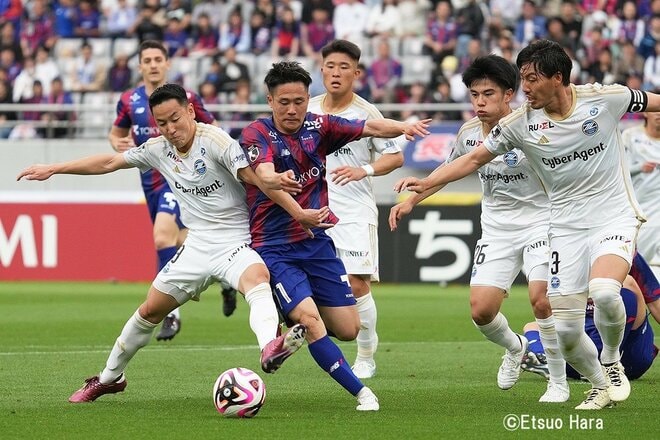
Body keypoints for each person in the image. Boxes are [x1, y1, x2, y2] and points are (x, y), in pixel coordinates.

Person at [392, 39, 658, 410]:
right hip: (556, 227)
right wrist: (420, 188)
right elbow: (470, 161)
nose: (526, 89)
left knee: (601, 291)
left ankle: (610, 362)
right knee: (558, 329)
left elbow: (654, 102)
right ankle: (597, 385)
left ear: (558, 77)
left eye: (531, 80)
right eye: (523, 79)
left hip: (597, 218)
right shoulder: (518, 125)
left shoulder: (605, 99)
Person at [17, 83, 307, 403]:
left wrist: (292, 205)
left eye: (175, 119)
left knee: (257, 279)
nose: (170, 129)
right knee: (148, 312)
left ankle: (270, 345)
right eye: (162, 123)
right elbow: (109, 163)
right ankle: (109, 378)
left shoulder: (216, 141)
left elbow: (256, 178)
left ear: (190, 112)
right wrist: (54, 168)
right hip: (196, 246)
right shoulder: (158, 148)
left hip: (235, 241)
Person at [239, 60, 430, 411]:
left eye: (299, 100)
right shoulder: (257, 133)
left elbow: (370, 126)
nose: (293, 109)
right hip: (275, 247)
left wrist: (404, 126)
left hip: (317, 244)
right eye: (284, 102)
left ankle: (293, 316)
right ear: (269, 100)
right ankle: (362, 393)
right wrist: (291, 203)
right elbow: (264, 174)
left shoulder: (318, 125)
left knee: (347, 329)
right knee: (312, 321)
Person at [390, 55, 568, 403]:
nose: (481, 102)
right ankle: (516, 347)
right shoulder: (468, 133)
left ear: (509, 94)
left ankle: (557, 381)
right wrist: (412, 200)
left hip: (541, 223)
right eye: (474, 95)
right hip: (497, 229)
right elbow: (450, 169)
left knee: (541, 299)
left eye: (488, 94)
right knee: (481, 311)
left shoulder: (534, 126)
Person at [109, 40, 238, 340]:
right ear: (140, 66)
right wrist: (118, 144)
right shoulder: (129, 100)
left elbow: (214, 130)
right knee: (182, 241)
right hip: (150, 182)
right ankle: (226, 280)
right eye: (147, 60)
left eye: (158, 59)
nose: (153, 65)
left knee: (162, 236)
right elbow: (115, 135)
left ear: (167, 64)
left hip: (182, 178)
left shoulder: (186, 98)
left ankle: (171, 314)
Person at [307, 39, 404, 379]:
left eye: (344, 67)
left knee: (357, 284)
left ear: (356, 73)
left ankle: (366, 352)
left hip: (354, 210)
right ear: (321, 70)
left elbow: (396, 156)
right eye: (330, 66)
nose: (336, 73)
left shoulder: (366, 113)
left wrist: (365, 170)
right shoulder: (307, 109)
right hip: (312, 210)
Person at [522, 253, 659, 381]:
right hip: (586, 327)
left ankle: (605, 361)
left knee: (626, 284)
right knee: (533, 326)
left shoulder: (624, 247)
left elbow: (654, 300)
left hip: (631, 354)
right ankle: (546, 359)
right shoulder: (561, 250)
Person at [622, 111, 660, 279]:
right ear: (645, 112)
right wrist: (640, 168)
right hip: (640, 214)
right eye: (656, 110)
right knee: (637, 270)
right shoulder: (630, 136)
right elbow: (617, 170)